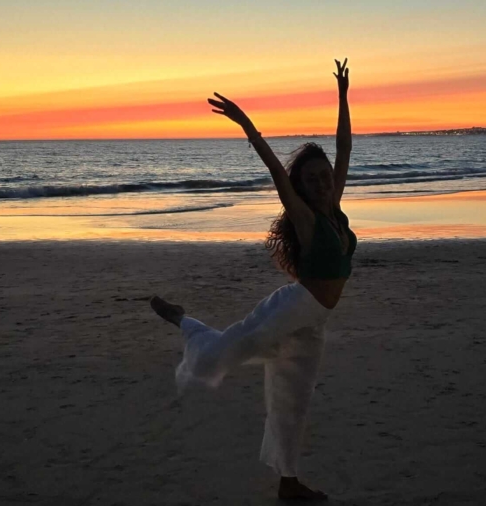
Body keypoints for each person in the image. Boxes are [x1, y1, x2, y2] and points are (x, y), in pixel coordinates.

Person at [150, 58, 354, 502]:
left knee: (294, 398)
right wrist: (247, 124)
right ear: (302, 185)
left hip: (314, 320)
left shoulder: (334, 206)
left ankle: (288, 482)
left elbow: (343, 148)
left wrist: (343, 94)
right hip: (292, 308)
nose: (322, 182)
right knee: (220, 355)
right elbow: (276, 172)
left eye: (325, 177)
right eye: (313, 178)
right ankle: (183, 321)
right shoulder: (304, 216)